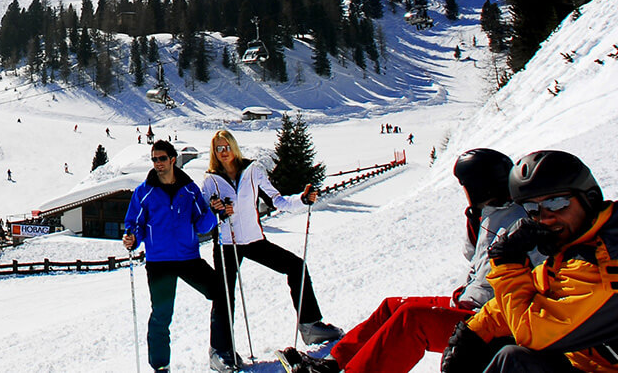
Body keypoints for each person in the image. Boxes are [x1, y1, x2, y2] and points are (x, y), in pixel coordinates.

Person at [279, 148, 526, 373]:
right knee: (391, 306)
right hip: (468, 302)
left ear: (479, 187)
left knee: (412, 319)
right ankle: (330, 364)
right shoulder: (491, 213)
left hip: (487, 321)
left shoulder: (519, 224)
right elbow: (472, 256)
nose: (464, 193)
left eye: (465, 187)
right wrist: (473, 220)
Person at [441, 150, 617, 373]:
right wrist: (473, 332)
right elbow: (541, 288)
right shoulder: (582, 245)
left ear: (588, 198)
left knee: (514, 362)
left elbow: (531, 332)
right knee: (508, 356)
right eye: (533, 208)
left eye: (557, 203)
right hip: (588, 363)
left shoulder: (605, 263)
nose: (545, 217)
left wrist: (508, 264)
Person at [199, 129, 342, 359]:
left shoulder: (252, 171)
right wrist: (217, 211)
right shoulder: (210, 180)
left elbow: (277, 200)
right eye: (218, 149)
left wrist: (302, 200)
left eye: (226, 147)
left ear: (234, 147)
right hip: (226, 243)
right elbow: (204, 215)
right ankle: (220, 350)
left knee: (296, 266)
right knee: (224, 294)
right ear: (214, 153)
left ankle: (310, 325)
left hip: (254, 240)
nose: (223, 152)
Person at [122, 139, 230, 373]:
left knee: (221, 293)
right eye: (154, 159)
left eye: (162, 158)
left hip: (188, 258)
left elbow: (202, 225)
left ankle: (219, 351)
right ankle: (161, 366)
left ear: (173, 159)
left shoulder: (190, 190)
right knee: (162, 315)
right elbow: (134, 224)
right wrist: (131, 238)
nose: (157, 163)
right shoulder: (144, 192)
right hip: (159, 261)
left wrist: (214, 212)